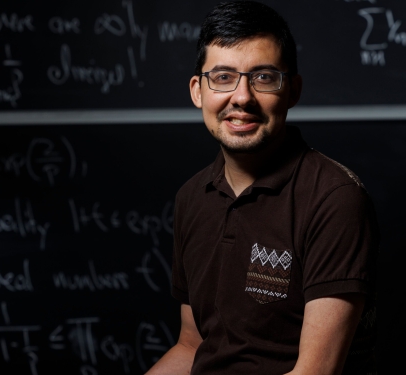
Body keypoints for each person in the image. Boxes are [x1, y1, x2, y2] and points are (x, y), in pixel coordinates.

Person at [145, 1, 379, 374]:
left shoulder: (334, 199)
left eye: (264, 77)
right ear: (197, 91)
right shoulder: (191, 198)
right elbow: (192, 345)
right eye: (222, 77)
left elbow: (314, 372)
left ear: (293, 91)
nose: (241, 97)